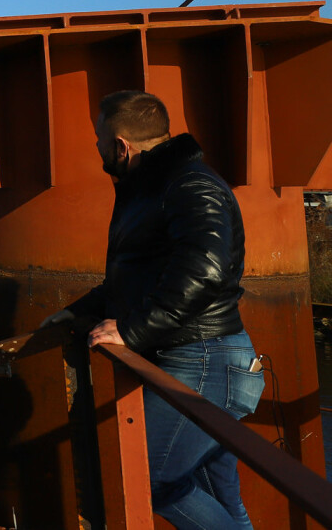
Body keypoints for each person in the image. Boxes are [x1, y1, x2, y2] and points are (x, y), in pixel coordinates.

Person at [44, 90, 264, 530]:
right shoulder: (154, 187)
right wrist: (76, 312)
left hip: (202, 359)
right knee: (220, 495)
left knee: (151, 480)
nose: (96, 146)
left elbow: (206, 268)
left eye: (99, 138)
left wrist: (133, 330)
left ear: (121, 145)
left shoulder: (188, 185)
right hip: (199, 356)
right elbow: (136, 276)